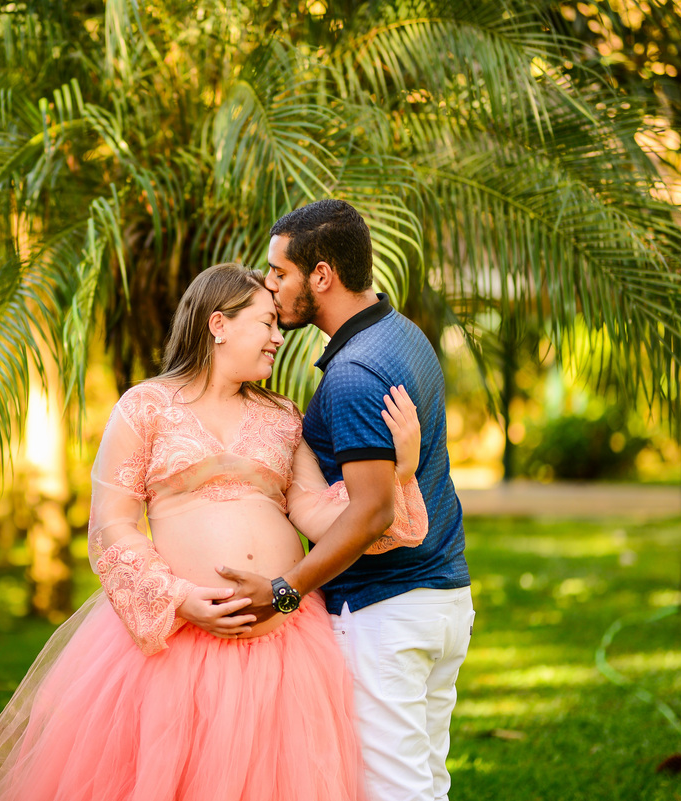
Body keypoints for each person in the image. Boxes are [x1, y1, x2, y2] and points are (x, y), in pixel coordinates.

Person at [0, 263, 427, 801]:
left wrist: (398, 475)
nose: (278, 338)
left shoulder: (283, 416)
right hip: (174, 648)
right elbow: (111, 524)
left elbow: (317, 512)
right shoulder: (145, 407)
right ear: (218, 323)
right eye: (267, 323)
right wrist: (179, 598)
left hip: (283, 644)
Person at [216, 200, 473, 801]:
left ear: (322, 275)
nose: (271, 287)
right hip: (443, 600)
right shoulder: (402, 333)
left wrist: (284, 591)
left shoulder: (356, 372)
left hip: (387, 611)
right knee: (426, 783)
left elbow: (372, 511)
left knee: (393, 791)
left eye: (280, 273)